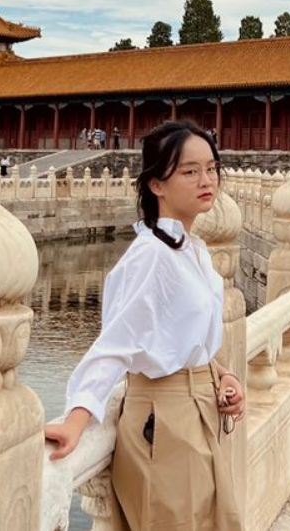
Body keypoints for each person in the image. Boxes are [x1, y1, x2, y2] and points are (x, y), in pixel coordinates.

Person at [45, 120, 245, 531]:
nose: (206, 180)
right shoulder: (151, 256)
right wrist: (76, 419)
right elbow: (115, 345)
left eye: (212, 168)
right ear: (157, 184)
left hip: (198, 412)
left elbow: (180, 337)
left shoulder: (192, 249)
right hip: (165, 422)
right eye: (190, 171)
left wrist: (222, 375)